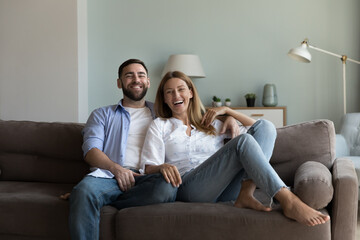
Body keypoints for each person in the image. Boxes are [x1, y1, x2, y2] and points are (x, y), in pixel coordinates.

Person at [69, 59, 239, 240]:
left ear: (148, 82)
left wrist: (229, 116)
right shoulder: (102, 114)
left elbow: (196, 117)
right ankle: (89, 196)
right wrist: (117, 169)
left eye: (141, 75)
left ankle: (101, 200)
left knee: (169, 187)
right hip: (110, 176)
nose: (136, 79)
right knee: (85, 191)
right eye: (129, 75)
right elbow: (91, 150)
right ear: (119, 83)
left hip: (149, 177)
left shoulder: (163, 112)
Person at [140, 71, 331, 227]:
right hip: (191, 188)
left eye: (181, 89)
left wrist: (229, 112)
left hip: (226, 190)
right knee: (243, 141)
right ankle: (289, 200)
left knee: (266, 126)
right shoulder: (160, 125)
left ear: (191, 93)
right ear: (164, 99)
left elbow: (262, 131)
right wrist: (161, 167)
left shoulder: (211, 123)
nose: (176, 95)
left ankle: (246, 192)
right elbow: (148, 168)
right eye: (169, 92)